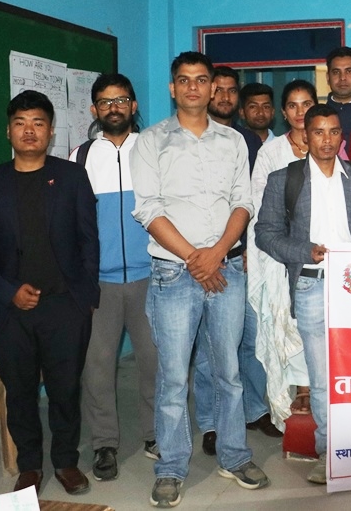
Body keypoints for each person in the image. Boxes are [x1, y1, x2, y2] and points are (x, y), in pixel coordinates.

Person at [131, 52, 267, 508]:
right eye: (184, 80)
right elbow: (148, 209)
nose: (193, 87)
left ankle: (234, 455)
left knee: (229, 372)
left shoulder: (232, 141)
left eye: (201, 79)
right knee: (173, 377)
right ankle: (171, 467)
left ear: (213, 88)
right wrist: (195, 258)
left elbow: (243, 202)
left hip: (225, 269)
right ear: (173, 88)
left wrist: (216, 254)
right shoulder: (150, 141)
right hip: (174, 272)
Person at [0, 90, 99, 496]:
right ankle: (30, 466)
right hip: (11, 312)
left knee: (65, 390)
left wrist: (85, 297)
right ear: (8, 131)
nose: (29, 131)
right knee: (20, 393)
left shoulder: (71, 177)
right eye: (20, 123)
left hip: (65, 307)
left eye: (38, 123)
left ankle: (66, 462)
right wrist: (8, 292)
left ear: (50, 131)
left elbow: (88, 240)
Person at [255, 104, 351, 485]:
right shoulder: (285, 179)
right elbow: (265, 233)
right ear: (305, 136)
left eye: (333, 132)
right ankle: (328, 453)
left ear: (341, 136)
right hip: (311, 283)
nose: (326, 140)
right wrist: (304, 251)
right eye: (318, 132)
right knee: (322, 374)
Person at [71, 74, 158, 483]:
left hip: (152, 276)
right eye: (105, 102)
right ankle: (104, 444)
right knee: (98, 367)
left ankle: (156, 435)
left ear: (134, 105)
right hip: (99, 283)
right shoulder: (80, 156)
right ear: (94, 109)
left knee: (156, 363)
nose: (114, 107)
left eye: (121, 100)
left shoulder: (153, 149)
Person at [192, 67, 280, 458]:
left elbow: (252, 201)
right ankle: (211, 422)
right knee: (210, 349)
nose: (225, 97)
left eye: (231, 91)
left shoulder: (245, 141)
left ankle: (255, 409)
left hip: (243, 254)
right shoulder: (194, 138)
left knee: (251, 337)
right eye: (220, 90)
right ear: (208, 92)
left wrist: (247, 247)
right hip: (203, 259)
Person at [246, 80, 317, 429]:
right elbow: (258, 207)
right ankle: (299, 390)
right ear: (284, 112)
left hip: (319, 253)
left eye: (307, 104)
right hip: (279, 254)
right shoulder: (271, 152)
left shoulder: (329, 142)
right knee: (286, 319)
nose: (300, 111)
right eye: (293, 105)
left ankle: (316, 388)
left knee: (313, 321)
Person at [324, 46, 351, 138]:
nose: (342, 78)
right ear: (328, 77)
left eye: (349, 71)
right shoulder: (318, 116)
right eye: (336, 72)